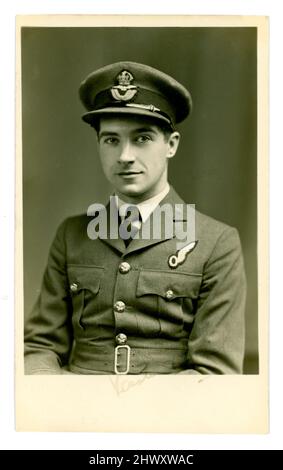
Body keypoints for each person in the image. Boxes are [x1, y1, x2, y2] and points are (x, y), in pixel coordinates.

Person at [24, 61, 246, 375]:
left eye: (142, 138)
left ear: (171, 145)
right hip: (77, 414)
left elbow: (213, 374)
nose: (125, 156)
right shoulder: (71, 235)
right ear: (99, 145)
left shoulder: (216, 243)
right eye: (111, 140)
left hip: (165, 418)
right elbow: (40, 347)